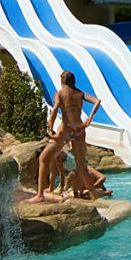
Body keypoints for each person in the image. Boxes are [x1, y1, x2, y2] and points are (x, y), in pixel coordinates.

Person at [29, 70, 101, 203]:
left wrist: (50, 128)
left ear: (62, 80)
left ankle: (40, 195)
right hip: (79, 130)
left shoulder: (60, 93)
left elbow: (55, 109)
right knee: (81, 165)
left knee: (44, 158)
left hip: (65, 131)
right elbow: (97, 101)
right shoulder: (80, 94)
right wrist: (89, 118)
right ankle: (93, 193)